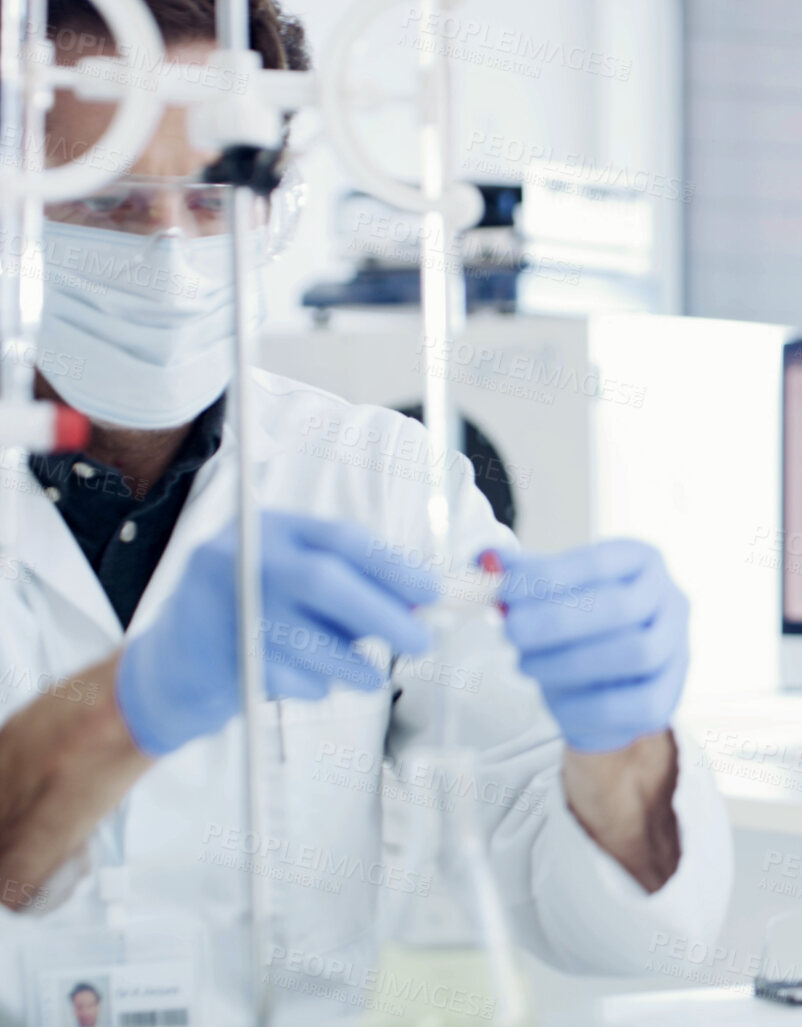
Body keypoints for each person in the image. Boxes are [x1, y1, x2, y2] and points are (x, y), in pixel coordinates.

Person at [0, 2, 730, 1020]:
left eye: (215, 199)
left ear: (274, 206)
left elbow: (629, 930)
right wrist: (129, 701)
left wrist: (622, 740)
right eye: (113, 201)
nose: (170, 248)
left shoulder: (380, 480)